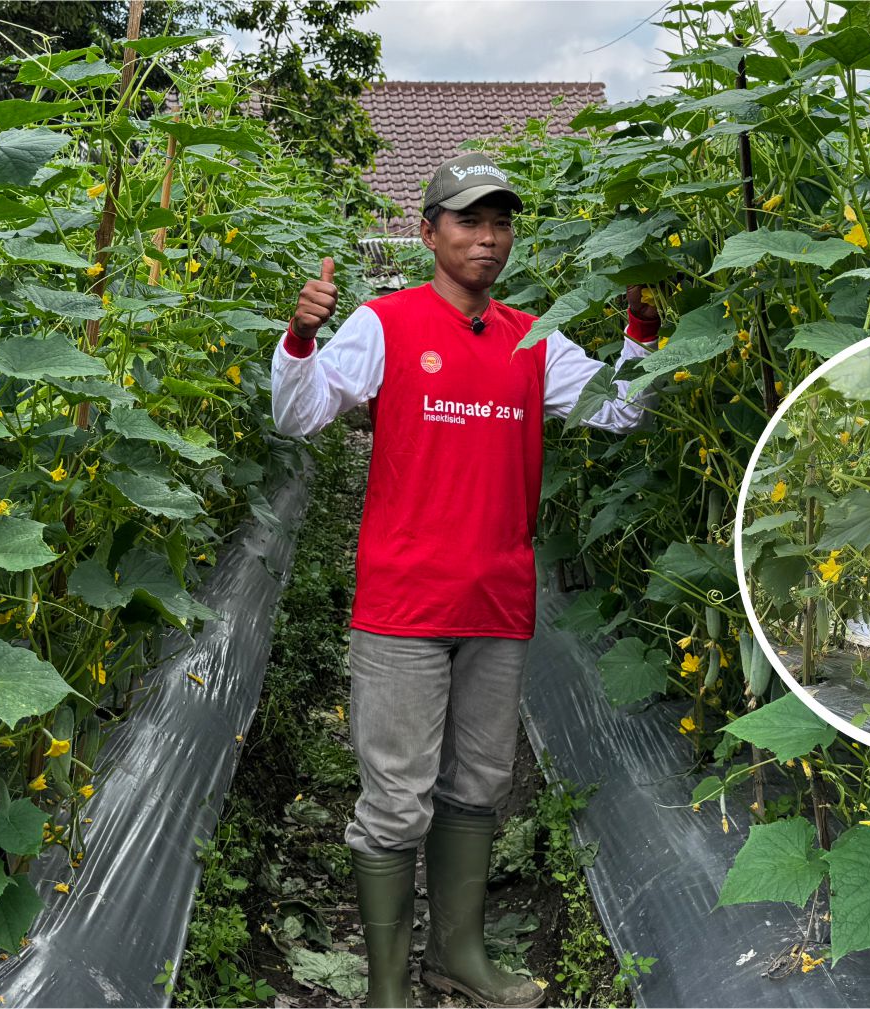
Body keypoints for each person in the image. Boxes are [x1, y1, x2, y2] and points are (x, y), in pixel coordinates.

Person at [270, 153, 659, 1008]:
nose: (487, 239)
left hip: (498, 599)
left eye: (499, 223)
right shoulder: (385, 323)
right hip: (404, 604)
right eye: (467, 222)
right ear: (429, 234)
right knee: (395, 798)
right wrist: (299, 339)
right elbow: (300, 413)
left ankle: (459, 955)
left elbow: (620, 409)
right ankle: (385, 987)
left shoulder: (531, 336)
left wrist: (640, 335)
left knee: (477, 785)